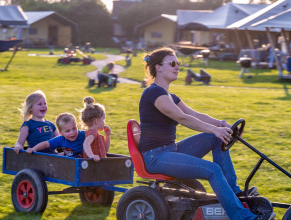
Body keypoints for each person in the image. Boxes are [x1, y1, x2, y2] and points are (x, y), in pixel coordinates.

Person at [139, 47, 275, 220]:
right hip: (156, 157)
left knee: (216, 140)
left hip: (171, 150)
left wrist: (220, 124)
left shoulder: (170, 96)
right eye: (173, 63)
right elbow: (183, 118)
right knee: (212, 170)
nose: (177, 67)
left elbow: (195, 114)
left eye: (178, 63)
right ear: (158, 67)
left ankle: (235, 193)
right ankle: (243, 217)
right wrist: (215, 130)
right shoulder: (153, 93)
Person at [80, 96, 111, 161]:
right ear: (97, 121)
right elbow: (86, 144)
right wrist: (91, 155)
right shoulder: (92, 133)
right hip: (92, 165)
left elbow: (105, 150)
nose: (104, 122)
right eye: (103, 119)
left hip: (98, 165)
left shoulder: (96, 134)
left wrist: (107, 136)